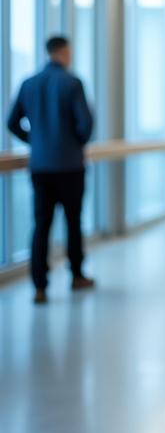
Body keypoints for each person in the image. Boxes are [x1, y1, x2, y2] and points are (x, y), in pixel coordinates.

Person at [6, 35, 95, 304]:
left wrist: (35, 140)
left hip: (40, 166)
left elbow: (12, 122)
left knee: (41, 224)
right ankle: (77, 275)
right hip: (69, 166)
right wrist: (71, 142)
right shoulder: (72, 83)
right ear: (64, 52)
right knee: (73, 221)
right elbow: (86, 126)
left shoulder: (29, 83)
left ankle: (39, 285)